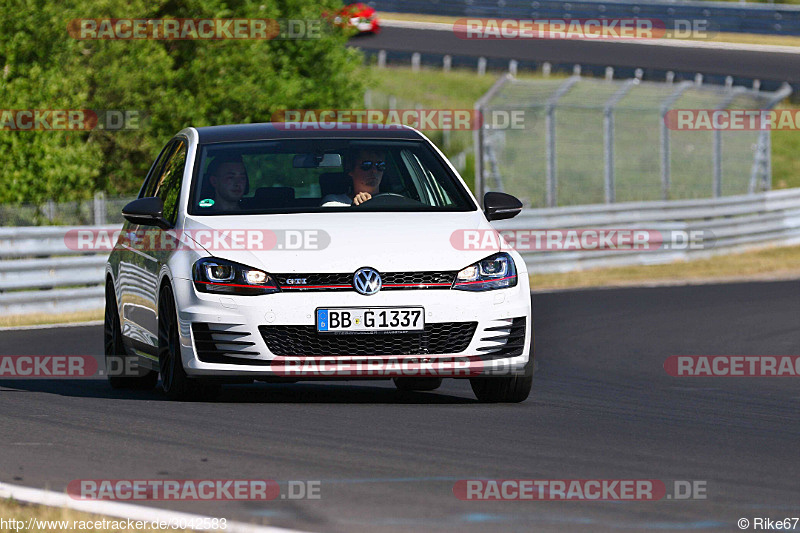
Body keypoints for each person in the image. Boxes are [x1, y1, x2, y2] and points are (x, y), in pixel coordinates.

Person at [321, 148, 386, 206]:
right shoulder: (335, 203)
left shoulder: (393, 202)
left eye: (380, 165)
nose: (374, 171)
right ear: (350, 169)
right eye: (367, 165)